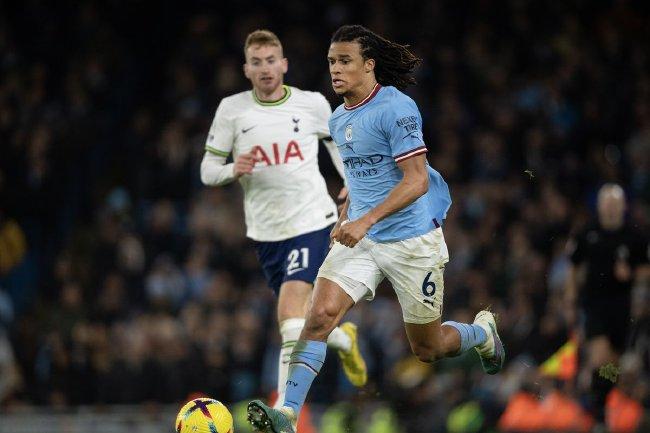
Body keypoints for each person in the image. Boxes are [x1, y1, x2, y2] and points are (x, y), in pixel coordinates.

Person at [247, 24, 505, 433]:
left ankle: (481, 334)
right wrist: (349, 207)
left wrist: (365, 219)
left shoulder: (397, 108)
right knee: (319, 315)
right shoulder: (338, 119)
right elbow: (365, 175)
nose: (335, 69)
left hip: (412, 240)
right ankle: (288, 413)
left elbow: (416, 181)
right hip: (363, 240)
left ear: (369, 65)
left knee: (428, 348)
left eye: (345, 61)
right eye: (331, 62)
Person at [200, 29, 367, 411]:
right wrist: (232, 169)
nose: (265, 69)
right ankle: (343, 340)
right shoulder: (232, 110)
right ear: (246, 69)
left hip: (312, 221)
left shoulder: (311, 104)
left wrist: (350, 182)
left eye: (271, 61)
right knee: (304, 320)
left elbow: (337, 144)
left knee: (290, 318)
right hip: (266, 233)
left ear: (284, 64)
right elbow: (207, 170)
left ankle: (285, 412)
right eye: (256, 62)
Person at [565, 183, 649, 425]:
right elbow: (574, 266)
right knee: (600, 356)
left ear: (623, 207)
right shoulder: (587, 232)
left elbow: (646, 269)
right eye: (607, 204)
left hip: (622, 305)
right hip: (594, 303)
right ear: (600, 206)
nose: (611, 209)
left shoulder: (635, 235)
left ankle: (599, 403)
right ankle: (597, 408)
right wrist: (570, 298)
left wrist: (631, 273)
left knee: (613, 364)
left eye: (615, 204)